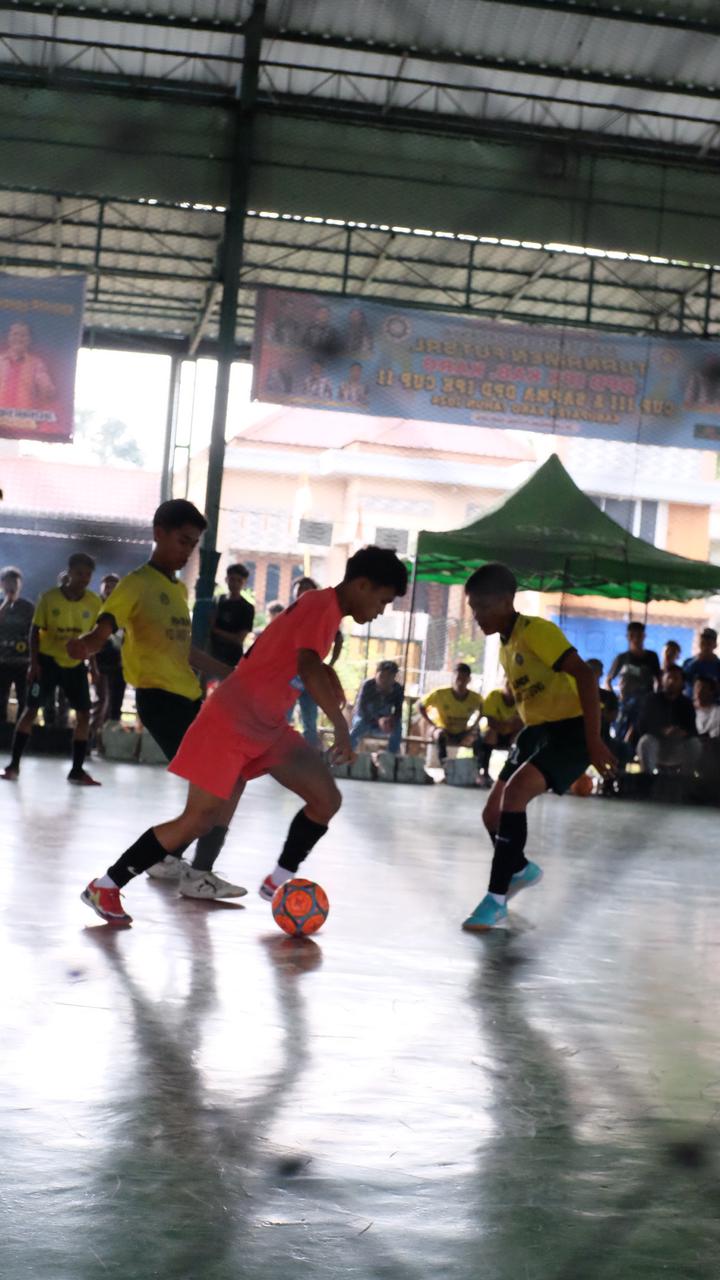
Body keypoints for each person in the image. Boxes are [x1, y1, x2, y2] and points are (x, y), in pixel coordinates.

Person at [80, 545, 408, 924]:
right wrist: (340, 724)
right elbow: (306, 664)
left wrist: (325, 674)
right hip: (231, 722)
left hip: (268, 726)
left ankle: (278, 881)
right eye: (383, 601)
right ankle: (107, 884)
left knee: (326, 799)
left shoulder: (324, 609)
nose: (381, 610)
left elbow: (295, 660)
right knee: (198, 819)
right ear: (363, 585)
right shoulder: (323, 607)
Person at [68, 499, 244, 900]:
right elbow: (105, 627)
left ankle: (171, 861)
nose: (187, 551)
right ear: (158, 533)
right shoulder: (136, 584)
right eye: (183, 541)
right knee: (218, 786)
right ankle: (174, 875)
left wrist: (232, 673)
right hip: (161, 701)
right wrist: (87, 645)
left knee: (227, 781)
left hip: (189, 700)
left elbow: (183, 650)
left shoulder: (176, 589)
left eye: (193, 544)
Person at [460, 563, 615, 932]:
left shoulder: (537, 632)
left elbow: (585, 676)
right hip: (536, 733)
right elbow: (534, 697)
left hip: (572, 731)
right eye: (473, 608)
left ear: (505, 601)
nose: (477, 616)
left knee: (514, 796)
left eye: (482, 607)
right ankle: (518, 868)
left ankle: (496, 899)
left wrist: (593, 740)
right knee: (492, 815)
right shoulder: (505, 644)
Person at [2, 552, 101, 785]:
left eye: (88, 575)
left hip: (75, 665)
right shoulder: (49, 598)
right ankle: (13, 765)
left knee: (84, 714)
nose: (84, 579)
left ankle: (77, 770)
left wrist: (93, 666)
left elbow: (93, 638)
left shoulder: (94, 602)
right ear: (70, 573)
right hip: (48, 664)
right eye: (80, 573)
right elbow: (34, 631)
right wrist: (34, 663)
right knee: (30, 710)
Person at [287, 577, 343, 748]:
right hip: (291, 674)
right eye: (300, 588)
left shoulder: (322, 615)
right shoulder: (290, 613)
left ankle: (308, 754)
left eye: (307, 588)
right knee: (284, 717)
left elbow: (338, 638)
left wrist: (330, 663)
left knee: (309, 721)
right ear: (295, 593)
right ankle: (278, 754)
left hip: (311, 675)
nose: (303, 591)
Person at [635, 665, 701, 776]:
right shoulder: (651, 700)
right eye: (669, 677)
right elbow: (642, 726)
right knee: (645, 742)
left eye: (676, 678)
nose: (671, 681)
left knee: (695, 744)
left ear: (682, 683)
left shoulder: (687, 703)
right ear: (662, 680)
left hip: (678, 746)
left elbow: (693, 730)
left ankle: (686, 780)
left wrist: (682, 733)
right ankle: (648, 780)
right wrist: (662, 731)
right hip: (656, 746)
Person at [418, 663, 483, 765]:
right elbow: (421, 706)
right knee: (439, 734)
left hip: (463, 732)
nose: (460, 682)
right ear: (453, 678)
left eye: (464, 679)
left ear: (469, 680)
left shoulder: (475, 698)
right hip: (443, 730)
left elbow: (484, 710)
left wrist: (473, 726)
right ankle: (444, 765)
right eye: (458, 678)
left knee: (478, 738)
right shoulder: (440, 694)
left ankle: (477, 767)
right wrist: (433, 724)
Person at [90, 573, 126, 749]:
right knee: (102, 700)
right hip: (100, 661)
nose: (110, 589)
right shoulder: (95, 607)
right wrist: (93, 665)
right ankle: (91, 738)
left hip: (120, 662)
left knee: (115, 704)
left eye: (113, 586)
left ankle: (107, 742)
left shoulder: (125, 608)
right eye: (107, 586)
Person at [0, 566, 34, 723]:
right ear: (2, 584)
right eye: (8, 582)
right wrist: (7, 603)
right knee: (1, 699)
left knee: (24, 699)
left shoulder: (28, 607)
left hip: (23, 662)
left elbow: (36, 633)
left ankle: (21, 731)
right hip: (2, 661)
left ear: (20, 585)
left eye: (15, 582)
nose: (12, 585)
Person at [350, 659, 405, 755]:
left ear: (394, 678)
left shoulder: (398, 689)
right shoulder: (368, 685)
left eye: (389, 677)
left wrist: (391, 720)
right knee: (358, 725)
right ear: (376, 674)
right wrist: (378, 720)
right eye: (382, 676)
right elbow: (362, 709)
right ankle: (347, 751)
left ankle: (391, 755)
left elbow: (398, 711)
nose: (384, 680)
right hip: (365, 719)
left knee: (398, 727)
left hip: (384, 722)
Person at [476, 680, 523, 785]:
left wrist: (508, 725)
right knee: (491, 733)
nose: (511, 689)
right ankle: (485, 772)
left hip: (510, 735)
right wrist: (508, 725)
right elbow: (491, 722)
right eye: (509, 685)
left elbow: (522, 723)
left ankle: (510, 773)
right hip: (494, 734)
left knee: (519, 737)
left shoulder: (522, 699)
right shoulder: (494, 696)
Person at [0, 321, 55, 410]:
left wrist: (47, 389)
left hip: (24, 416)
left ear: (29, 340)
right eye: (15, 334)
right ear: (8, 337)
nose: (19, 338)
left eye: (23, 335)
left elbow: (47, 389)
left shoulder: (36, 363)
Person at [209, 564, 255, 667]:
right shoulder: (218, 600)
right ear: (226, 580)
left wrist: (215, 630)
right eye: (232, 579)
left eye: (239, 581)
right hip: (212, 653)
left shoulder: (247, 607)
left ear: (244, 583)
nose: (235, 584)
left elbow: (239, 639)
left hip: (232, 658)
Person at [606, 621, 660, 694]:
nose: (636, 639)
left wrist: (655, 698)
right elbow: (608, 681)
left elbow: (659, 681)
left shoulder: (652, 657)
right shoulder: (621, 658)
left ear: (644, 636)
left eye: (639, 635)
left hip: (646, 699)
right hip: (626, 700)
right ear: (627, 637)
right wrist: (613, 698)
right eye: (632, 635)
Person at [682, 627, 720, 694]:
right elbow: (682, 681)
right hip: (689, 700)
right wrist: (695, 662)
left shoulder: (718, 665)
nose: (705, 647)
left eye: (708, 644)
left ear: (715, 645)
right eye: (703, 643)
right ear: (699, 644)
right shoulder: (688, 662)